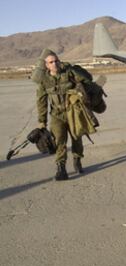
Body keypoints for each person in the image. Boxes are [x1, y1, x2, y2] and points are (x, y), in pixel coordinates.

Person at [36, 50, 92, 181]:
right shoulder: (44, 81)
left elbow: (87, 79)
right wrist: (42, 121)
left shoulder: (69, 73)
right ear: (46, 65)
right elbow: (41, 101)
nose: (54, 64)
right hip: (57, 115)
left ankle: (77, 160)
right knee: (59, 140)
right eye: (51, 62)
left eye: (56, 61)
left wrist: (73, 70)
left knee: (76, 137)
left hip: (73, 112)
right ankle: (61, 168)